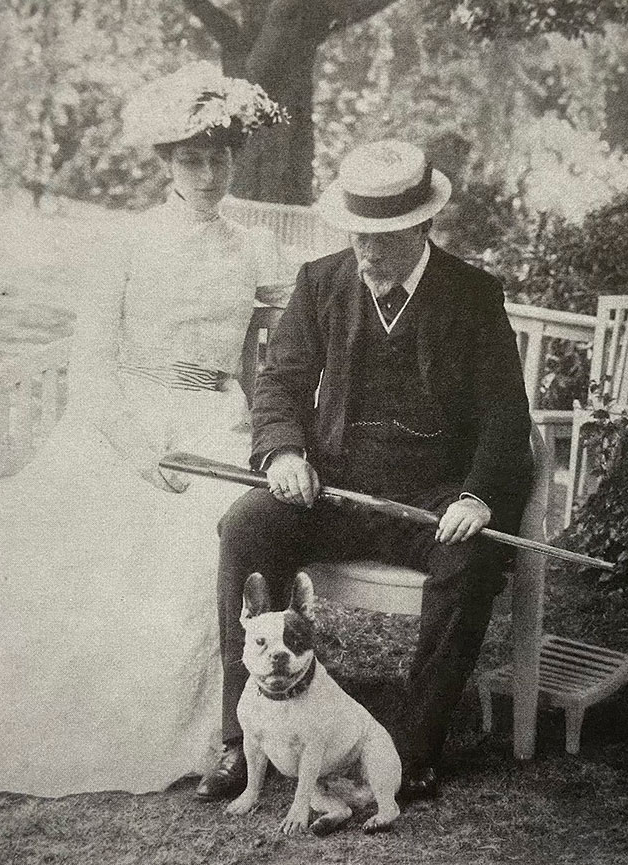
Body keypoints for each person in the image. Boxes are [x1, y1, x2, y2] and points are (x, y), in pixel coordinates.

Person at [0, 63, 289, 800]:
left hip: (215, 420)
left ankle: (232, 727)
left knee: (210, 540)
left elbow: (303, 332)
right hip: (124, 419)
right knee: (79, 549)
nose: (210, 172)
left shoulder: (254, 247)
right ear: (164, 163)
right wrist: (141, 450)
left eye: (220, 156)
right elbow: (92, 365)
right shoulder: (125, 242)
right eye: (192, 157)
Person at [196, 140, 533, 804]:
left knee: (470, 561)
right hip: (334, 489)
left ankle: (413, 748)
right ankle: (244, 740)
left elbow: (504, 415)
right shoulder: (321, 281)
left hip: (432, 501)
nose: (367, 251)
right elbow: (280, 386)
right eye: (358, 234)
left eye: (383, 236)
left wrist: (478, 496)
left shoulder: (473, 294)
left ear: (421, 226)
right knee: (245, 523)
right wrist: (285, 453)